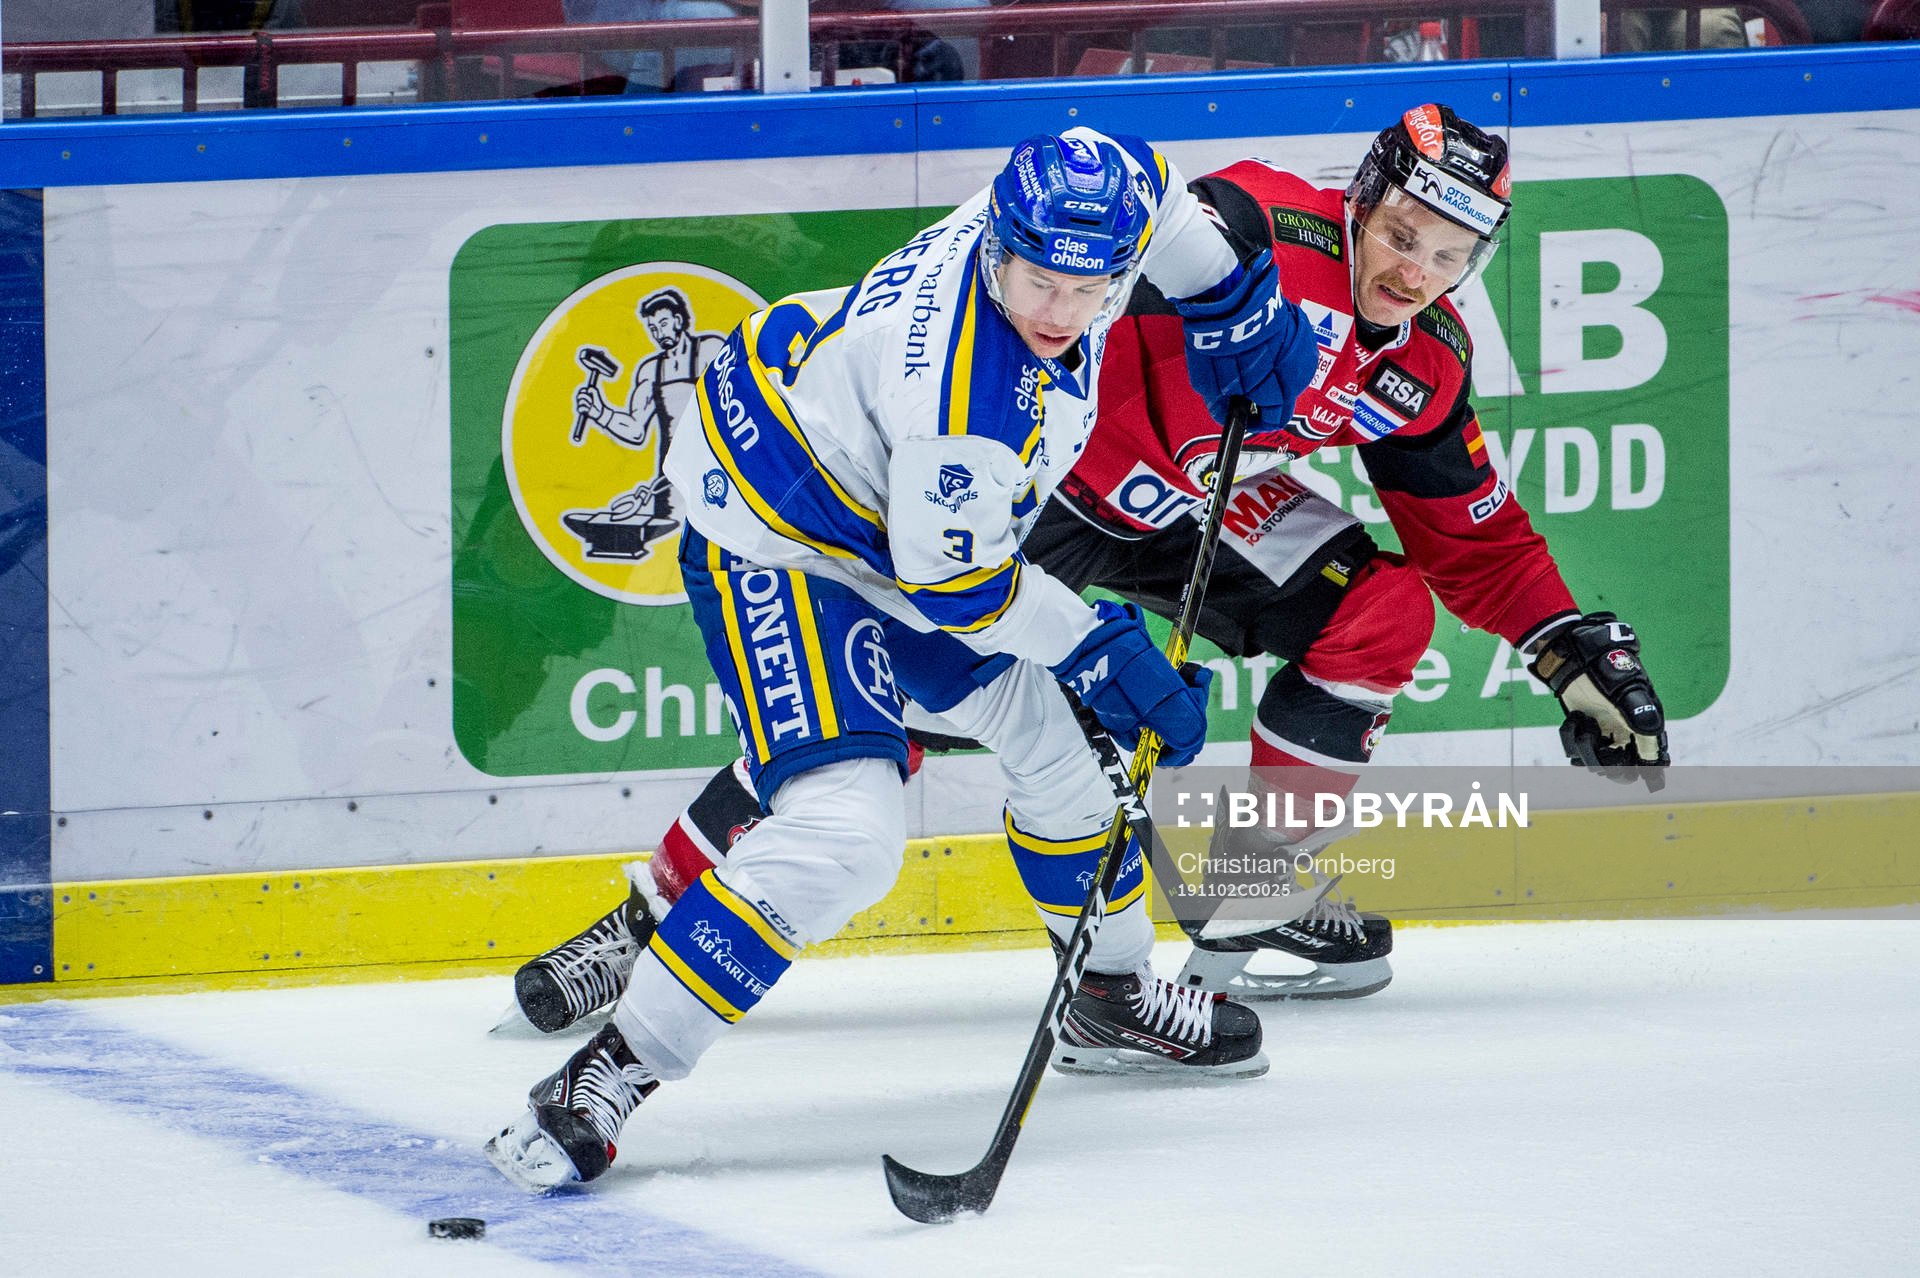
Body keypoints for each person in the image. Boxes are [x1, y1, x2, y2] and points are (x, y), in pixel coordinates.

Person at [506, 106, 1671, 1029]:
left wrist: (1565, 641)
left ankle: (1254, 899)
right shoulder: (1272, 224)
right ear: (1363, 201)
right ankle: (650, 916)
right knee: (889, 706)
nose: (1415, 270)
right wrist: (1227, 304)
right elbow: (1169, 208)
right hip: (1036, 488)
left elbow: (1472, 533)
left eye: (1450, 253)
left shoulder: (1426, 365)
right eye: (1404, 234)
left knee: (1379, 609)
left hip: (1183, 504)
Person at [486, 127, 1320, 1191]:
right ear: (999, 247)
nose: (1062, 311)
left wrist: (1238, 302)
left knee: (1075, 759)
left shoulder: (1081, 197)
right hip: (781, 538)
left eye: (1092, 286)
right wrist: (1100, 647)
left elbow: (1159, 203)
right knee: (849, 832)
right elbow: (959, 594)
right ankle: (605, 1074)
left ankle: (1107, 997)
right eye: (1040, 282)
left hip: (881, 508)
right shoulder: (963, 395)